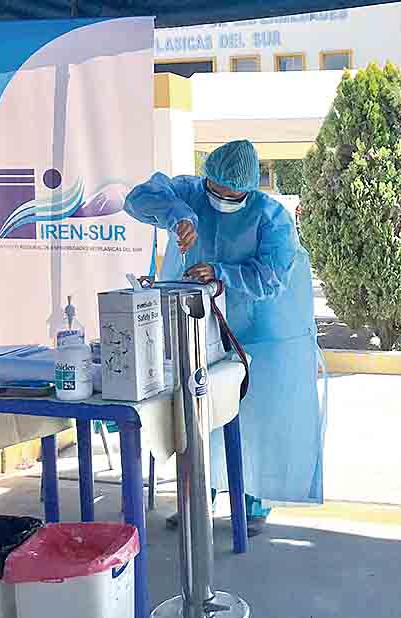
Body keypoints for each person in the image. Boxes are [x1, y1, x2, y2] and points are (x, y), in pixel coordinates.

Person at [125, 140, 324, 536]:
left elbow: (271, 277)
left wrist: (220, 273)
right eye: (215, 191)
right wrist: (177, 214)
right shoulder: (188, 193)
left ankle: (251, 501)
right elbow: (137, 198)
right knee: (197, 416)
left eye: (233, 196)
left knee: (251, 420)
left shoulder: (271, 217)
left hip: (260, 335)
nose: (221, 200)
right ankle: (199, 497)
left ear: (249, 190)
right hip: (196, 328)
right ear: (207, 179)